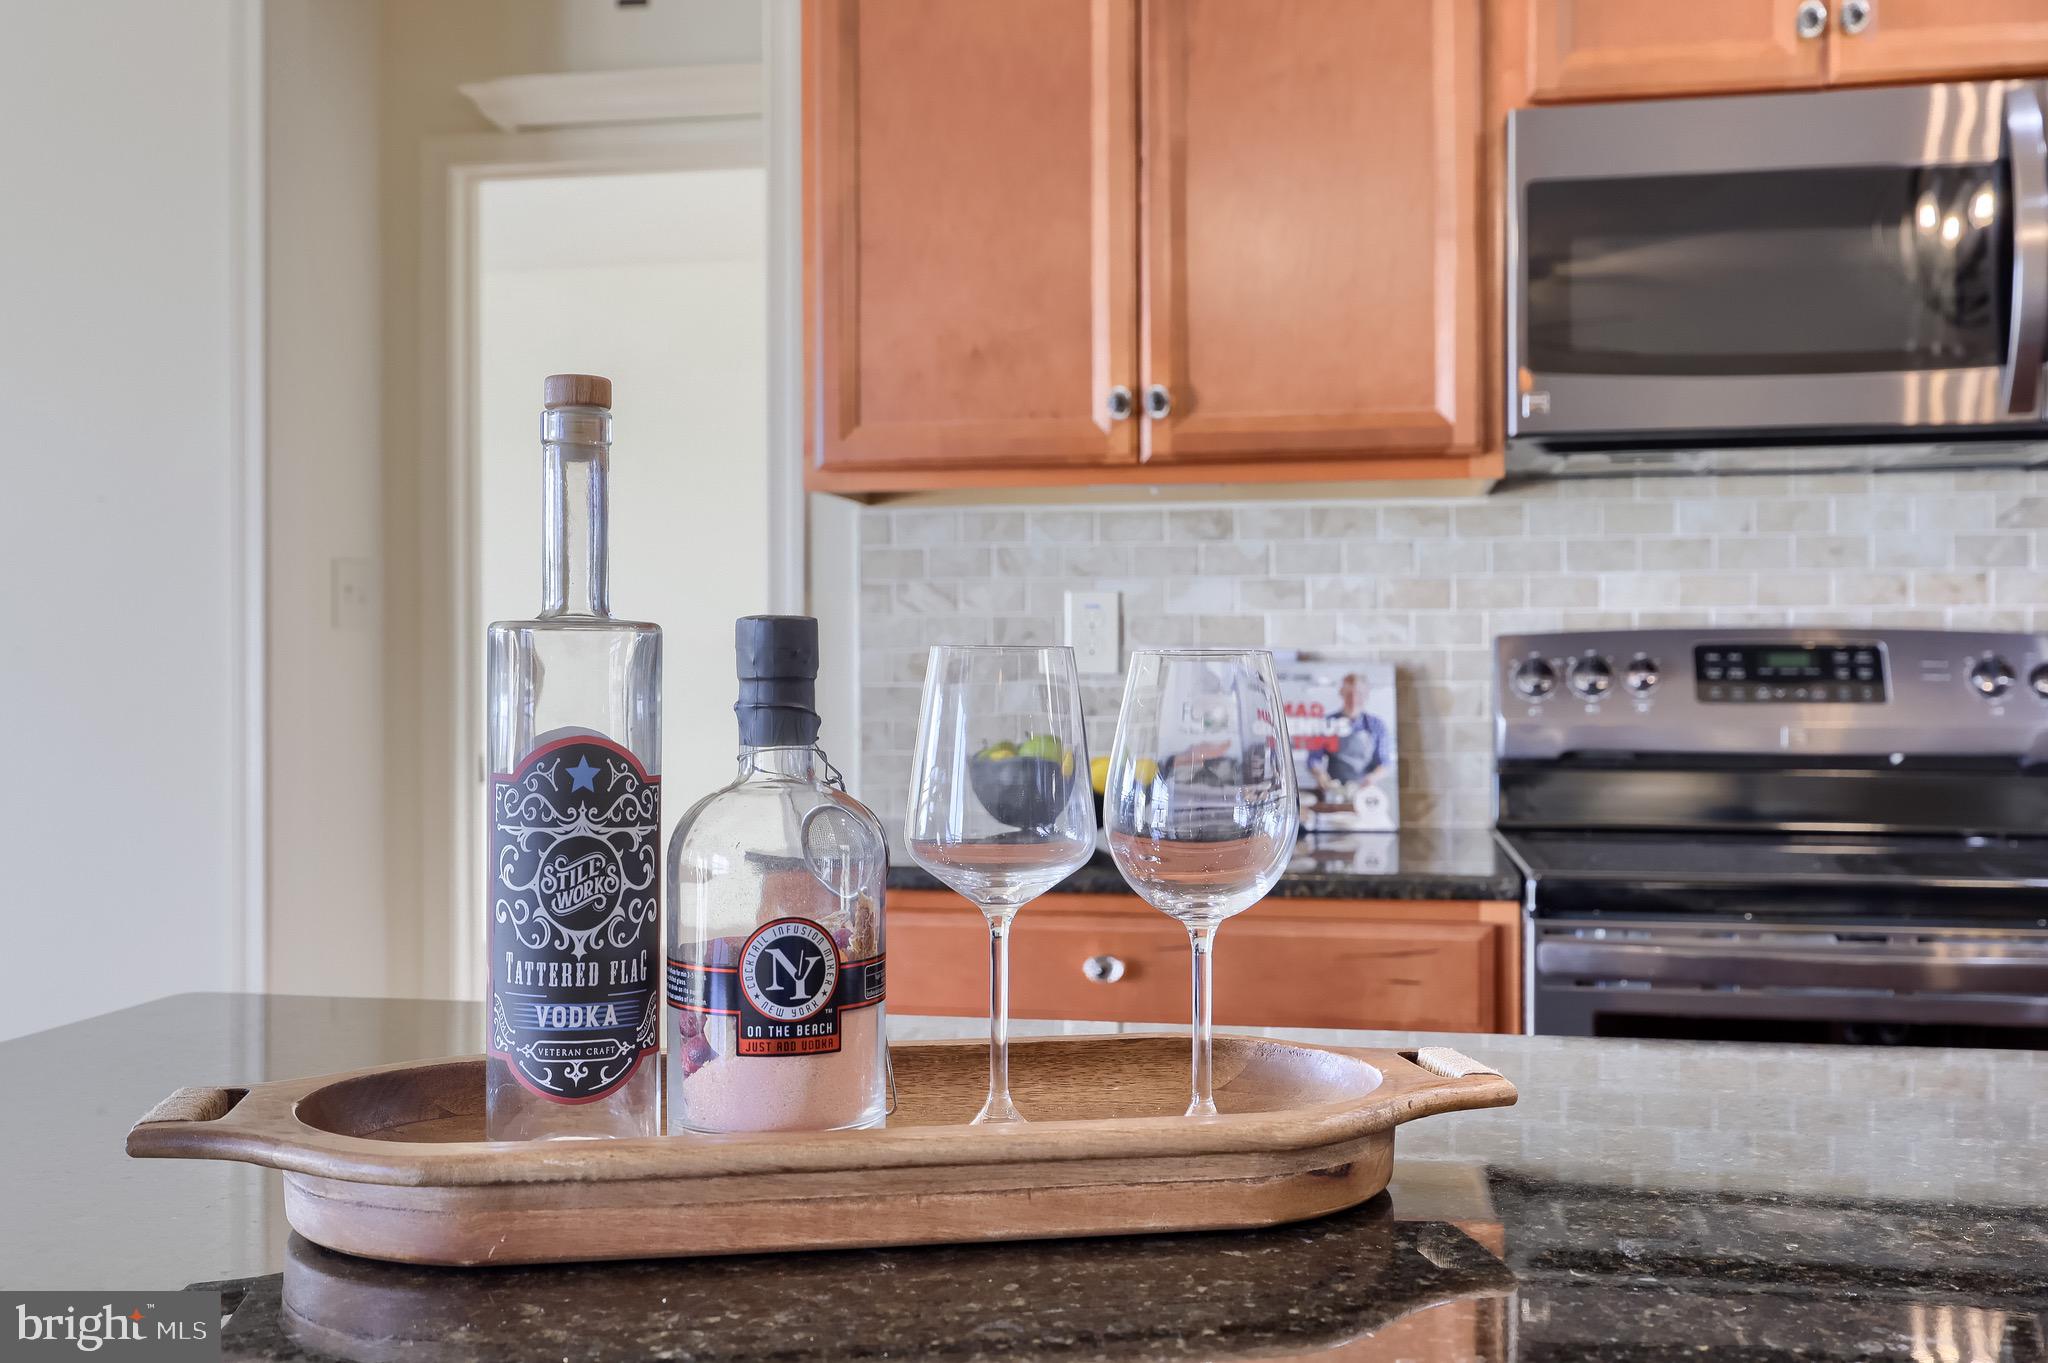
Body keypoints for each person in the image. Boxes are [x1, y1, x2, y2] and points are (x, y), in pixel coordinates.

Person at [1307, 672, 1393, 796]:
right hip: (1333, 791)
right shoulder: (1327, 724)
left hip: (1365, 792)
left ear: (1366, 695)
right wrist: (1320, 774)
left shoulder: (1377, 725)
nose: (1353, 699)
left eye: (1358, 694)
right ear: (1341, 693)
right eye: (1348, 694)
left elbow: (1384, 762)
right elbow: (1314, 759)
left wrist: (1372, 778)